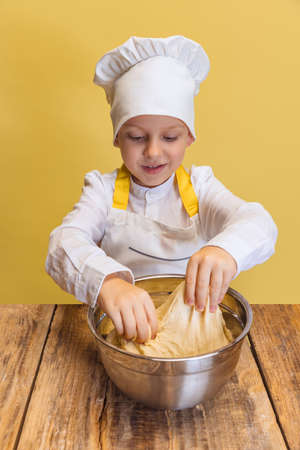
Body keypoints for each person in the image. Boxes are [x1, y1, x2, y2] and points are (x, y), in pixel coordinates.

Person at [45, 36, 278, 344]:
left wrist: (224, 250)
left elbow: (259, 223)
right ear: (117, 138)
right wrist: (109, 284)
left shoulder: (201, 188)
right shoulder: (102, 191)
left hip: (194, 337)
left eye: (169, 137)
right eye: (137, 137)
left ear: (189, 137)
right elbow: (63, 242)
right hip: (126, 331)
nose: (153, 152)